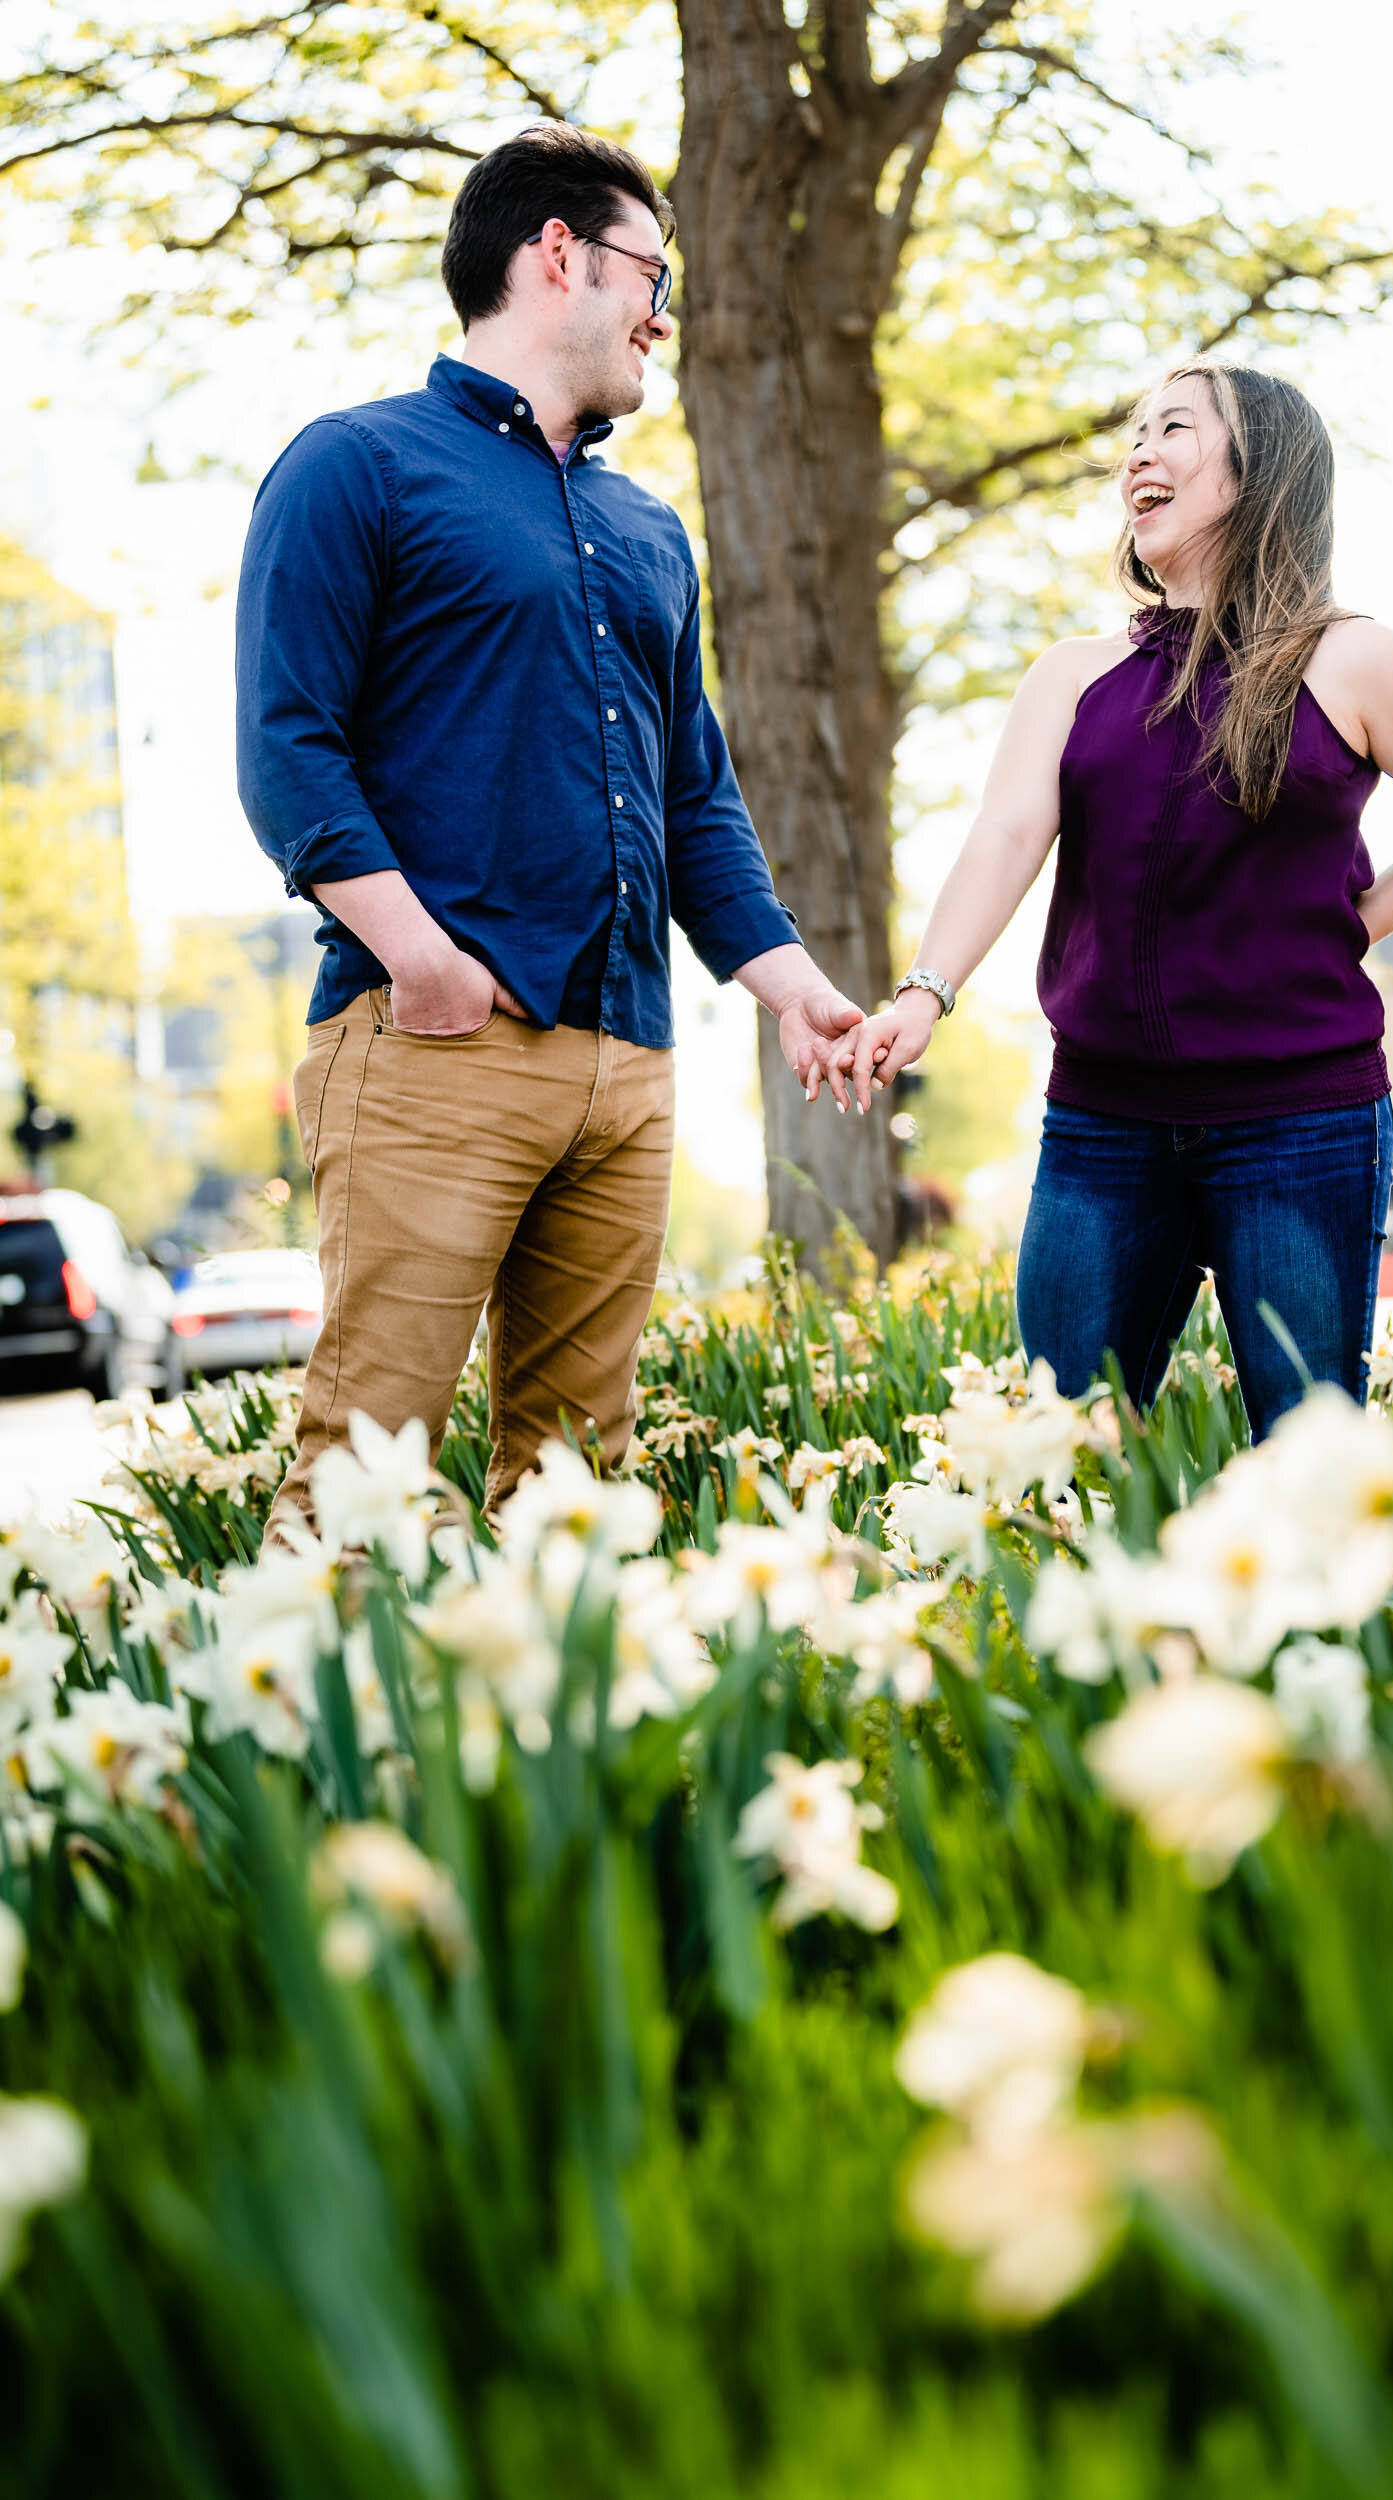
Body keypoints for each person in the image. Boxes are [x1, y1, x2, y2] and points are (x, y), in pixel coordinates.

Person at [236, 123, 860, 1520]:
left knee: (578, 1493)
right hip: (431, 1042)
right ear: (557, 255)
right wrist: (425, 962)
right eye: (653, 274)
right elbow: (287, 750)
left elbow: (692, 793)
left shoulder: (649, 530)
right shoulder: (356, 467)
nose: (661, 315)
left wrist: (790, 989)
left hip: (626, 1061)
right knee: (364, 1481)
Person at [832, 362, 1393, 1437]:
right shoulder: (1071, 674)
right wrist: (921, 994)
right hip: (1101, 1124)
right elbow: (1006, 835)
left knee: (1307, 1454)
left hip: (1299, 1120)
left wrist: (1354, 924)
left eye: (1172, 429)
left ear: (1258, 469)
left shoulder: (1352, 660)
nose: (1137, 454)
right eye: (1132, 437)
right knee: (1046, 1449)